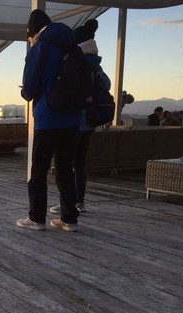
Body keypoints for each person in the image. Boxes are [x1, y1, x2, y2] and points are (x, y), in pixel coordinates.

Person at [16, 9, 81, 232]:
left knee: (39, 171)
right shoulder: (72, 46)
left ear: (33, 31)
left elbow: (31, 88)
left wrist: (24, 93)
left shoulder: (40, 48)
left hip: (48, 118)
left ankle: (36, 218)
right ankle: (69, 219)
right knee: (65, 170)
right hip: (73, 119)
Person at [49, 19, 110, 215]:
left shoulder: (76, 62)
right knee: (80, 163)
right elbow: (107, 85)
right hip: (91, 121)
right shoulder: (97, 65)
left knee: (66, 165)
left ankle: (68, 203)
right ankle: (80, 202)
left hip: (75, 120)